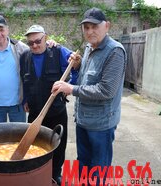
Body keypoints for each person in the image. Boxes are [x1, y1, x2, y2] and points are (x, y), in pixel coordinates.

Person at [51, 7, 127, 185]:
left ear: (107, 26)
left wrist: (71, 89)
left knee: (98, 169)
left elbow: (106, 90)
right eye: (86, 27)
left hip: (101, 125)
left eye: (94, 26)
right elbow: (87, 76)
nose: (90, 31)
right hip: (83, 121)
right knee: (83, 166)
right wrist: (78, 65)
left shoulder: (115, 51)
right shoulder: (88, 48)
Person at [19, 24, 79, 185]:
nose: (35, 45)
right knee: (35, 145)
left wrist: (70, 86)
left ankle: (55, 174)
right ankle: (37, 173)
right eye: (31, 43)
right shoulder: (24, 56)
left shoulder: (58, 51)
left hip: (56, 111)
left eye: (38, 41)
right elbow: (24, 80)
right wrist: (25, 100)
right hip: (35, 112)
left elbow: (76, 68)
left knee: (58, 145)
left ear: (45, 37)